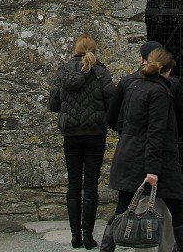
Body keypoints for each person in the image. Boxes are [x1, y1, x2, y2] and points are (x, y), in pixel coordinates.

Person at [106, 47, 183, 252]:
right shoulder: (160, 91)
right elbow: (156, 132)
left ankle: (106, 249)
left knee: (122, 208)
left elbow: (118, 120)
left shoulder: (131, 84)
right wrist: (152, 170)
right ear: (167, 70)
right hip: (157, 159)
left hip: (130, 154)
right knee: (178, 209)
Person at [49, 36, 116, 249]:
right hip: (95, 134)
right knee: (90, 186)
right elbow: (112, 103)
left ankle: (75, 235)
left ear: (74, 50)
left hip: (71, 135)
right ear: (94, 51)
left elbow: (53, 105)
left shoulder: (63, 72)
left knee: (74, 185)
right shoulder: (101, 73)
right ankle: (88, 235)